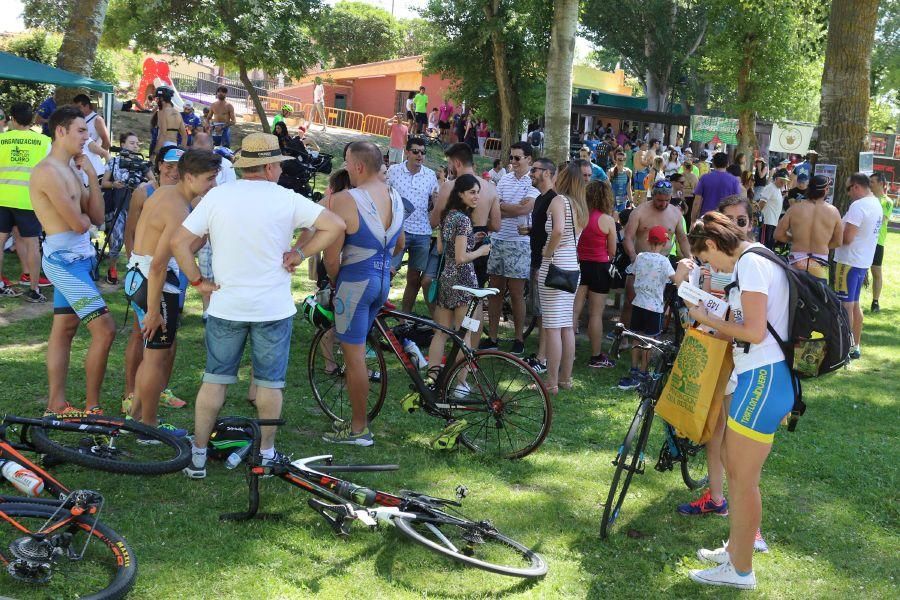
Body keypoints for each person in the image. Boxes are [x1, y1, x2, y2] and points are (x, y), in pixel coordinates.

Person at [174, 133, 344, 478]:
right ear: (268, 167)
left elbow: (179, 242)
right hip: (272, 309)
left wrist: (196, 281)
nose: (281, 170)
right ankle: (265, 454)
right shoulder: (286, 198)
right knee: (269, 384)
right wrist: (300, 254)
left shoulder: (218, 196)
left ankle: (198, 456)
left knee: (214, 381)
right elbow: (335, 225)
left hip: (226, 305)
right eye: (279, 164)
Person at [686, 212, 794, 591]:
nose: (708, 268)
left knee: (742, 482)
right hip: (763, 375)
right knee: (738, 473)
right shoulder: (760, 254)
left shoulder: (748, 264)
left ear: (713, 245)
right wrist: (709, 313)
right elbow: (752, 319)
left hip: (762, 377)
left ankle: (741, 571)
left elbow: (753, 329)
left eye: (706, 260)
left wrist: (706, 318)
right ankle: (736, 549)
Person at [125, 149, 221, 439]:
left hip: (137, 277)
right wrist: (154, 311)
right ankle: (149, 427)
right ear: (189, 176)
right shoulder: (178, 207)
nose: (213, 185)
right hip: (153, 282)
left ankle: (136, 418)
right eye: (208, 179)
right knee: (155, 357)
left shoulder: (166, 193)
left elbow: (180, 249)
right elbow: (158, 264)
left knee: (152, 354)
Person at [30, 107, 116, 416]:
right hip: (63, 262)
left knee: (65, 328)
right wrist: (81, 215)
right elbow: (80, 225)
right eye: (81, 130)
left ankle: (56, 405)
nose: (88, 136)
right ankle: (93, 408)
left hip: (79, 259)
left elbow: (95, 216)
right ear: (61, 131)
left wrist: (91, 175)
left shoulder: (70, 169)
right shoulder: (47, 172)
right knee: (105, 329)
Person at [322, 141, 403, 446]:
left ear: (357, 166)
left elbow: (331, 256)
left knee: (354, 357)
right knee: (358, 351)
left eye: (346, 162)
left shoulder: (346, 199)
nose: (345, 168)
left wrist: (335, 281)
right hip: (381, 280)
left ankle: (359, 429)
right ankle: (358, 424)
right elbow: (399, 244)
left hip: (354, 282)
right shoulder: (394, 196)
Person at [122, 146, 186, 414]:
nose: (173, 171)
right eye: (168, 165)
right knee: (144, 336)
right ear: (159, 165)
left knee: (168, 336)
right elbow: (132, 230)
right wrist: (133, 263)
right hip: (150, 270)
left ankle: (157, 390)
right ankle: (132, 395)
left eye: (179, 166)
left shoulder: (184, 196)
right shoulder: (145, 192)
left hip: (172, 272)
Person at [425, 175, 491, 386]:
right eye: (472, 192)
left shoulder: (448, 216)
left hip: (447, 279)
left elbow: (442, 249)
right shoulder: (463, 219)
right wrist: (480, 251)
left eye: (478, 192)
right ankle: (461, 384)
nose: (476, 196)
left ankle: (432, 378)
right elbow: (462, 258)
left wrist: (471, 240)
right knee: (466, 335)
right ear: (460, 194)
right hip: (464, 282)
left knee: (441, 333)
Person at [482, 142, 539, 355]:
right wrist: (510, 209)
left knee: (516, 293)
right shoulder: (504, 179)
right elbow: (493, 207)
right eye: (511, 157)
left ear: (529, 159)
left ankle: (519, 339)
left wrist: (504, 207)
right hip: (498, 240)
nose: (513, 162)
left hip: (519, 243)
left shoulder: (533, 182)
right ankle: (493, 337)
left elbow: (525, 208)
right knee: (494, 291)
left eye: (517, 158)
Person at [538, 162, 586, 394]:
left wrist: (547, 251)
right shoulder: (580, 205)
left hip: (554, 265)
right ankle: (565, 379)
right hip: (572, 266)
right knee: (566, 325)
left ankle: (552, 382)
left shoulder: (559, 201)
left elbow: (557, 230)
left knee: (552, 327)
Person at [432, 143, 500, 299]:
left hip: (455, 244)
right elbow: (496, 225)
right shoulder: (490, 188)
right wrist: (479, 224)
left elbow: (434, 221)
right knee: (476, 298)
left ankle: (451, 324)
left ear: (457, 163)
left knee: (449, 296)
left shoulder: (449, 186)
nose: (449, 168)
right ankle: (473, 324)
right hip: (480, 240)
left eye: (449, 164)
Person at [622, 180, 691, 331]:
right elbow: (627, 237)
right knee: (630, 302)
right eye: (660, 200)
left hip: (661, 266)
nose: (663, 204)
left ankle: (648, 334)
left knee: (654, 303)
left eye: (667, 200)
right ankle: (624, 335)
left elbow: (682, 238)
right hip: (640, 264)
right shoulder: (639, 211)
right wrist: (634, 257)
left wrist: (690, 258)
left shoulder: (675, 213)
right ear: (653, 196)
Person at [0, 102, 52, 301]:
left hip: (2, 198)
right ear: (31, 119)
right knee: (32, 244)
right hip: (28, 201)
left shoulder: (2, 139)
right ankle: (34, 289)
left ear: (12, 119)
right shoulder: (43, 142)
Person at [616, 224, 676, 392]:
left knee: (636, 337)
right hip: (655, 308)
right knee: (649, 341)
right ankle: (643, 372)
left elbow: (632, 272)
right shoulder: (665, 262)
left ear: (648, 241)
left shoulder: (640, 257)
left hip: (638, 304)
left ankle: (633, 370)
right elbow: (675, 279)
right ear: (664, 244)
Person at [833, 173, 883, 360]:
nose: (848, 194)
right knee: (854, 304)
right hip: (861, 261)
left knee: (845, 305)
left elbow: (847, 238)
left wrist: (831, 234)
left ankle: (845, 347)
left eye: (848, 189)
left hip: (848, 262)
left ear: (856, 187)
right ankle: (855, 345)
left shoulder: (858, 206)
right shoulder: (875, 203)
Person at [386, 137, 439, 313]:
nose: (420, 155)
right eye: (416, 151)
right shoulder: (394, 171)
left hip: (422, 232)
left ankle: (404, 317)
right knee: (388, 272)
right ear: (407, 152)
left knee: (414, 278)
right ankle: (377, 315)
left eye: (423, 152)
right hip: (397, 231)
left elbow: (436, 200)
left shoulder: (430, 175)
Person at [99, 131, 155, 285]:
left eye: (137, 143)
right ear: (122, 144)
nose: (136, 146)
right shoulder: (114, 162)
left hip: (136, 206)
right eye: (132, 143)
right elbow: (104, 183)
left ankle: (136, 270)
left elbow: (154, 182)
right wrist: (114, 184)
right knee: (115, 238)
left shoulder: (142, 164)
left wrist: (141, 185)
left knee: (137, 239)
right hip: (118, 205)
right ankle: (112, 268)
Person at [573, 180, 617, 369]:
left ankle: (569, 351)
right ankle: (596, 355)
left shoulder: (579, 216)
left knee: (574, 311)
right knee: (596, 314)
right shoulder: (607, 220)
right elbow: (613, 251)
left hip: (579, 265)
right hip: (600, 267)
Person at [523, 158, 558, 375]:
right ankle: (539, 354)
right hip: (536, 260)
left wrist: (544, 261)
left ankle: (543, 359)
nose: (531, 174)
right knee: (539, 311)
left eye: (534, 170)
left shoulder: (554, 200)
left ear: (546, 172)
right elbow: (543, 231)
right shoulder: (539, 199)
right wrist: (530, 231)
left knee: (545, 314)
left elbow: (557, 234)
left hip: (545, 264)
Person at [774, 174, 842, 283]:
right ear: (826, 190)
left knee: (793, 297)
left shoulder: (795, 209)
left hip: (797, 260)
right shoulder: (833, 212)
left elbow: (778, 234)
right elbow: (838, 241)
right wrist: (823, 244)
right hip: (819, 262)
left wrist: (794, 239)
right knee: (818, 298)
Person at [691, 152, 742, 222]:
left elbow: (697, 202)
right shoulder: (734, 181)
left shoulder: (704, 178)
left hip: (706, 219)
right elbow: (737, 202)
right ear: (727, 164)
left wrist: (693, 220)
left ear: (714, 163)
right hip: (725, 220)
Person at [72, 94, 110, 177]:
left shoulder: (97, 120)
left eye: (79, 107)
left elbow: (106, 142)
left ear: (87, 106)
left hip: (91, 160)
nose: (77, 110)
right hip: (79, 160)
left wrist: (98, 157)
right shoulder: (78, 119)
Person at [869, 172, 891, 313]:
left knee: (876, 271)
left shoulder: (886, 201)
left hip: (878, 242)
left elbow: (882, 219)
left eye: (872, 182)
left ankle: (875, 302)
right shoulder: (868, 199)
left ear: (881, 184)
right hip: (865, 241)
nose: (869, 184)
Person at [757, 168, 789, 249]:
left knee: (768, 246)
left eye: (784, 181)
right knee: (763, 246)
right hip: (766, 222)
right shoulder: (770, 187)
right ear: (776, 178)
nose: (783, 182)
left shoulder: (777, 189)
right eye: (781, 180)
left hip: (773, 223)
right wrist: (758, 217)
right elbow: (762, 202)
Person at [152, 87, 186, 157]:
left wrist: (155, 153)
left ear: (161, 99)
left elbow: (163, 134)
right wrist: (181, 152)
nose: (156, 101)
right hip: (174, 145)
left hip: (163, 145)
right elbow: (185, 136)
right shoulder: (178, 113)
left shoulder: (162, 112)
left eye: (157, 99)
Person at [608, 148, 633, 214]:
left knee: (621, 217)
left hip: (622, 198)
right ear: (615, 160)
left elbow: (628, 188)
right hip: (612, 198)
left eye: (623, 159)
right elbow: (607, 187)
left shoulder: (628, 172)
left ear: (625, 161)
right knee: (613, 217)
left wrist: (631, 202)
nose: (620, 161)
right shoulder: (611, 171)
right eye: (619, 159)